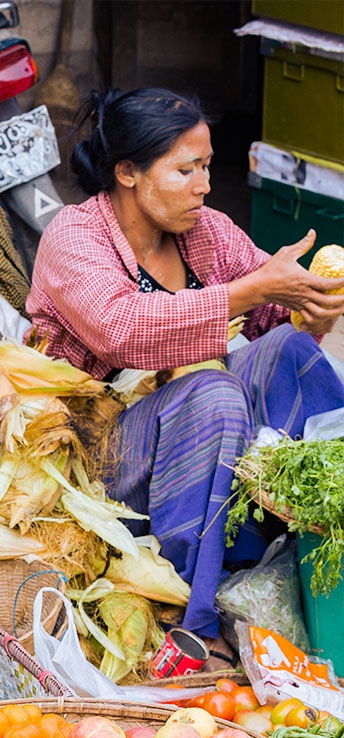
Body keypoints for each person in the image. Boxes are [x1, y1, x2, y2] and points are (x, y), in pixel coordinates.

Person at [27, 87, 344, 637]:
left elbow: (275, 318)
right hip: (97, 459)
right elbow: (120, 331)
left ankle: (315, 543)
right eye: (185, 170)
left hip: (194, 439)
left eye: (207, 166)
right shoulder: (75, 237)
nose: (204, 185)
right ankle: (193, 617)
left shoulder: (206, 233)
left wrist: (313, 310)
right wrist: (248, 291)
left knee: (291, 355)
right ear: (128, 172)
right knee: (214, 394)